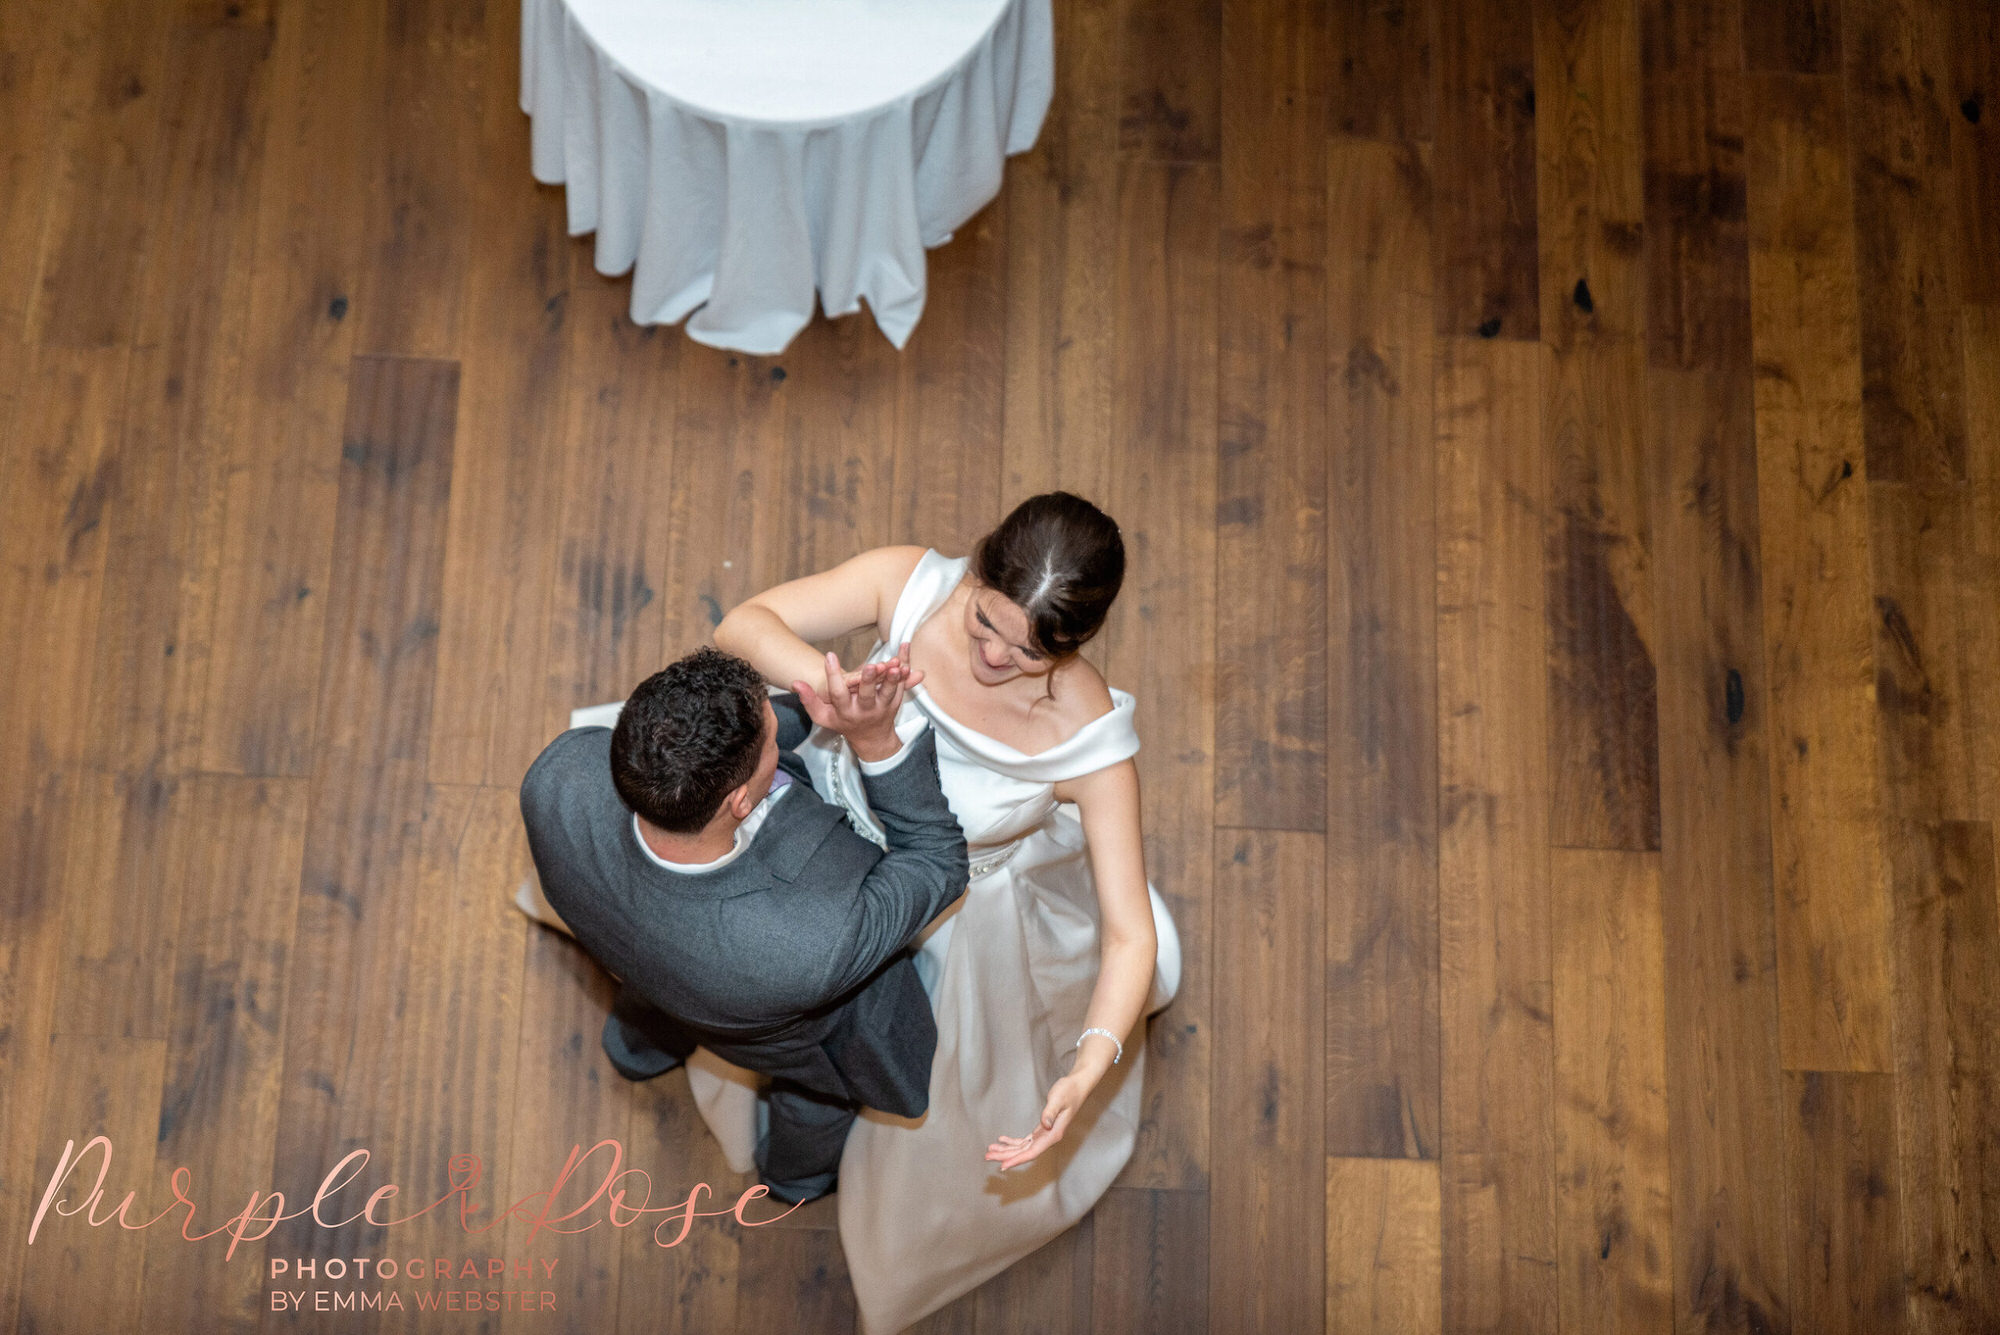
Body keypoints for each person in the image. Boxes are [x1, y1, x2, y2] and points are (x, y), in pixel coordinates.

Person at [709, 490, 1183, 1333]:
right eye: (984, 623)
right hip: (827, 833)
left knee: (937, 1082)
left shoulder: (1091, 739)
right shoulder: (909, 582)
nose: (994, 656)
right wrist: (838, 691)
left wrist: (1088, 1061)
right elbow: (743, 623)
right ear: (976, 568)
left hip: (963, 919)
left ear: (1076, 642)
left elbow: (1128, 932)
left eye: (1029, 649)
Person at [516, 642, 969, 1205]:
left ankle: (636, 1053)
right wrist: (875, 743)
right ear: (737, 801)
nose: (780, 738)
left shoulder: (557, 779)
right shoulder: (812, 941)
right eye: (772, 742)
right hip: (778, 1038)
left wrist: (819, 706)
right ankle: (793, 1182)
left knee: (652, 988)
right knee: (817, 1099)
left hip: (636, 956)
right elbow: (938, 861)